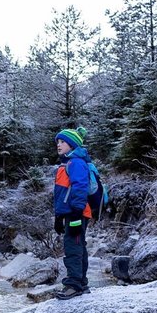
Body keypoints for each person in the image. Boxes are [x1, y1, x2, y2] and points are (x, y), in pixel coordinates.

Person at [53, 127, 93, 300]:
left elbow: (80, 187)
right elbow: (63, 195)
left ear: (72, 144)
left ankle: (74, 285)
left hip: (77, 212)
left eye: (62, 142)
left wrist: (76, 212)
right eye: (58, 142)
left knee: (73, 247)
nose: (59, 145)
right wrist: (59, 217)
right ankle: (81, 283)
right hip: (71, 213)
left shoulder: (76, 163)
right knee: (77, 245)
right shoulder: (67, 163)